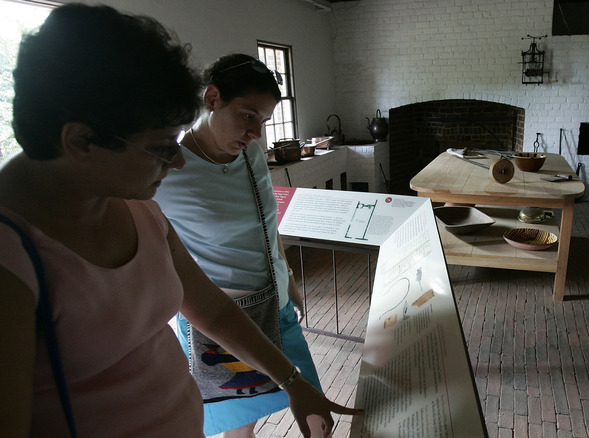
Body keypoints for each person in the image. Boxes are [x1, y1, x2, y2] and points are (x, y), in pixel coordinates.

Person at [0, 4, 359, 438]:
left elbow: (211, 310)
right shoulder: (13, 260)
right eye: (160, 146)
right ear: (80, 140)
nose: (177, 162)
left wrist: (293, 382)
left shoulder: (139, 210)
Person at [154, 53, 321, 438]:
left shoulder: (251, 154)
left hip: (273, 303)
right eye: (248, 116)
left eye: (262, 121)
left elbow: (267, 222)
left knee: (310, 400)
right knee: (238, 419)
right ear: (212, 98)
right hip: (222, 318)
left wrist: (289, 275)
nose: (256, 132)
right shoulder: (167, 172)